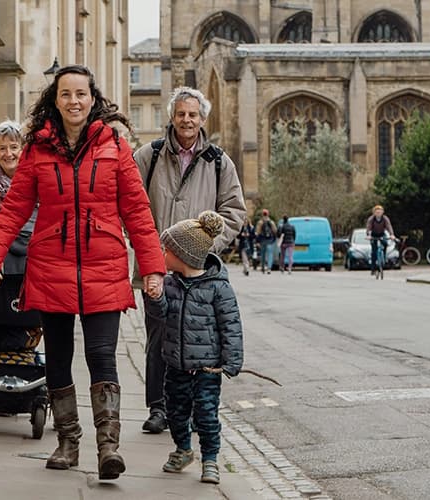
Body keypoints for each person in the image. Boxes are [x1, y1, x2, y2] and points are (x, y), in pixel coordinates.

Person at [0, 65, 166, 480]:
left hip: (104, 265)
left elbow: (137, 211)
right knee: (58, 359)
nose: (74, 101)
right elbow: (13, 211)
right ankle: (67, 442)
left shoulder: (114, 146)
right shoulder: (37, 149)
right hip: (50, 267)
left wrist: (152, 267)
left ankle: (108, 448)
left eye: (81, 93)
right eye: (66, 94)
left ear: (92, 99)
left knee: (101, 355)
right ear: (55, 100)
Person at [132, 86, 246, 434]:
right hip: (157, 266)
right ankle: (159, 407)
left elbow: (234, 211)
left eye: (193, 115)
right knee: (158, 338)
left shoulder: (218, 162)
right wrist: (150, 250)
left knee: (199, 340)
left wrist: (206, 245)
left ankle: (195, 409)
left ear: (202, 119)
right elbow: (131, 207)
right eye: (181, 113)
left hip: (199, 272)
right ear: (172, 116)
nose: (187, 120)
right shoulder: (148, 156)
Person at [144, 211, 243, 485]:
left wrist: (232, 361)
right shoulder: (170, 283)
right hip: (175, 365)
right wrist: (154, 297)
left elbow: (231, 325)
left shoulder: (218, 288)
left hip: (207, 368)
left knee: (206, 415)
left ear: (183, 254)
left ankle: (210, 459)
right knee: (176, 412)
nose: (163, 253)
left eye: (167, 249)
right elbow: (161, 315)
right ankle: (183, 450)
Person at [0, 120, 42, 359]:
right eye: (2, 148)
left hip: (31, 270)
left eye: (14, 147)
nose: (9, 153)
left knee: (26, 336)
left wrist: (5, 234)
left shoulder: (38, 182)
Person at [365, 205, 395, 274]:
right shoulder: (371, 219)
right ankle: (373, 268)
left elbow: (389, 226)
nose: (378, 213)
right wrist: (369, 235)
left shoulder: (385, 218)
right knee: (374, 251)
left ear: (382, 212)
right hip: (373, 235)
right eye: (377, 212)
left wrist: (391, 234)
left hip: (382, 234)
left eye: (380, 212)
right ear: (374, 213)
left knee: (385, 243)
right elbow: (368, 227)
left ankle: (383, 257)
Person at [255, 209, 279, 274]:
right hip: (270, 241)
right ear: (268, 214)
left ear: (262, 214)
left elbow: (257, 232)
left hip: (262, 240)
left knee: (263, 254)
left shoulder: (260, 222)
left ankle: (263, 268)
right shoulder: (271, 222)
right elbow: (275, 231)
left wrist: (257, 241)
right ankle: (269, 268)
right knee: (270, 254)